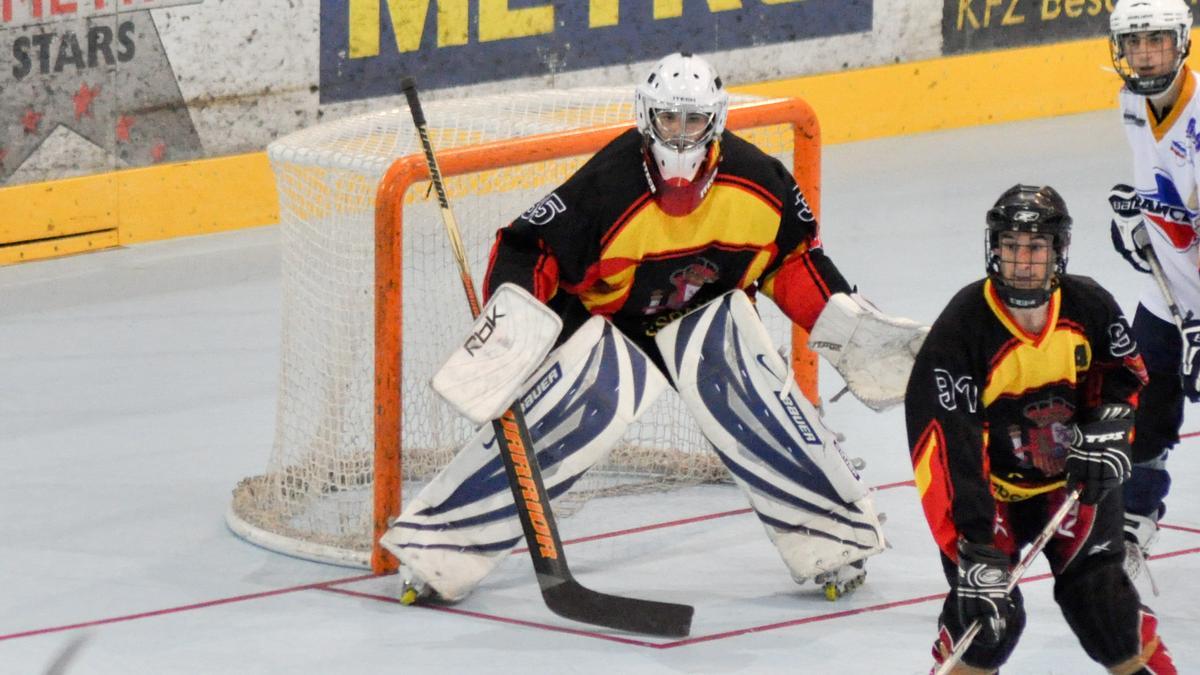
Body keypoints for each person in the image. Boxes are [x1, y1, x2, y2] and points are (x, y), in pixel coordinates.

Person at [380, 52, 924, 606]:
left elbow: (795, 262)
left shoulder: (760, 181)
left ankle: (836, 540)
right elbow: (528, 248)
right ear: (647, 116)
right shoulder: (605, 187)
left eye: (693, 121)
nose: (680, 135)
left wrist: (848, 323)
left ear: (715, 121)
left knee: (753, 394)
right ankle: (436, 552)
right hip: (613, 328)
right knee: (567, 416)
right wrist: (511, 318)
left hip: (703, 321)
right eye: (668, 119)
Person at [906, 184, 1174, 673]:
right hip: (991, 495)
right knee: (987, 624)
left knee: (1105, 611)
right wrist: (972, 548)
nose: (1022, 260)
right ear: (994, 250)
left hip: (1072, 485)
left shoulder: (1089, 305)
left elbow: (1126, 379)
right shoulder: (962, 328)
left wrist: (1114, 429)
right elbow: (945, 451)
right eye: (1010, 247)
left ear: (1058, 252)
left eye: (1034, 248)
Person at [1107, 0, 1197, 582]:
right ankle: (1133, 527)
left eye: (1157, 41)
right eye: (1134, 43)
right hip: (1168, 300)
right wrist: (1139, 219)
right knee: (1141, 409)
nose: (1144, 55)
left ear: (1183, 42)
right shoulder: (1133, 102)